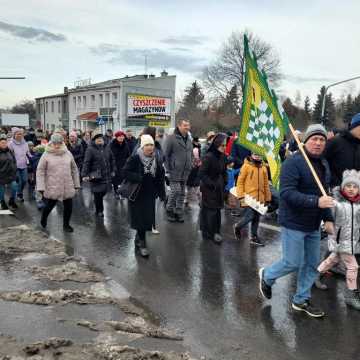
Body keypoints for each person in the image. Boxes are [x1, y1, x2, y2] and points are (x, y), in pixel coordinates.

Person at [259, 124, 335, 318]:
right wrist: (315, 201)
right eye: (314, 139)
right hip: (293, 221)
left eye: (322, 140)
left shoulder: (323, 164)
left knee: (311, 264)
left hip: (313, 223)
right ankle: (267, 276)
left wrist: (328, 218)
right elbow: (286, 194)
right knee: (292, 262)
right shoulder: (293, 163)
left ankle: (301, 300)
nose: (318, 143)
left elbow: (324, 193)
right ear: (305, 140)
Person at [317, 170, 360, 310]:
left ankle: (315, 275)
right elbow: (327, 217)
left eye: (355, 186)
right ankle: (350, 295)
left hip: (352, 241)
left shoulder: (358, 205)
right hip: (340, 241)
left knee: (333, 260)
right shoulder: (336, 204)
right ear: (342, 187)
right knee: (353, 266)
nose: (351, 189)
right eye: (348, 186)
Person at [123, 135, 166, 257]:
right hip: (137, 193)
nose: (149, 147)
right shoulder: (135, 158)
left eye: (151, 145)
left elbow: (159, 178)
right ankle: (142, 243)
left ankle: (139, 238)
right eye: (147, 145)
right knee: (139, 219)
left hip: (150, 194)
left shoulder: (157, 159)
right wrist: (138, 177)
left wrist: (162, 193)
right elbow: (125, 172)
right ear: (142, 146)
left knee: (147, 219)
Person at [36, 134, 80, 232]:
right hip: (53, 185)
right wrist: (41, 186)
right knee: (49, 205)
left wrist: (76, 184)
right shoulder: (46, 154)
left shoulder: (67, 153)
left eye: (59, 143)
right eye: (55, 143)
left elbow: (74, 169)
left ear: (62, 142)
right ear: (51, 142)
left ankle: (66, 225)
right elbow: (40, 171)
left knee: (68, 206)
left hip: (67, 185)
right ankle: (44, 217)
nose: (57, 145)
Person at [233, 152, 271, 246]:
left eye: (259, 155)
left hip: (260, 199)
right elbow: (240, 182)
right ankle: (238, 226)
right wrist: (241, 196)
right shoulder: (246, 166)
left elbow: (266, 184)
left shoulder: (264, 168)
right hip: (249, 198)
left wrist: (267, 198)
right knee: (249, 216)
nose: (257, 156)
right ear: (251, 155)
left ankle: (254, 237)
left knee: (256, 218)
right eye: (255, 154)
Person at [199, 133, 227, 244]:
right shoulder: (208, 157)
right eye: (222, 145)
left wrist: (224, 182)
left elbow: (224, 171)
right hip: (208, 188)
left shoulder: (224, 157)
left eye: (225, 145)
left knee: (217, 211)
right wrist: (211, 184)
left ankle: (215, 231)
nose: (224, 148)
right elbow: (201, 173)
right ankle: (210, 233)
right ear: (216, 144)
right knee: (210, 211)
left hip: (219, 187)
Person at [163, 119, 193, 222]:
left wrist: (191, 163)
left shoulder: (189, 139)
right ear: (179, 126)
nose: (187, 127)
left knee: (182, 193)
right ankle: (169, 209)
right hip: (174, 170)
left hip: (186, 170)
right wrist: (167, 169)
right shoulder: (171, 138)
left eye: (188, 125)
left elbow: (190, 154)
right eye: (185, 125)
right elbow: (165, 155)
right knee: (176, 190)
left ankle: (178, 211)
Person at [82, 130, 116, 217]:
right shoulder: (90, 149)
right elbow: (86, 162)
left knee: (103, 192)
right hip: (96, 175)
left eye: (100, 138)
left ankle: (98, 203)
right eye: (97, 138)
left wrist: (113, 169)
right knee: (98, 193)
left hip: (106, 174)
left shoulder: (107, 147)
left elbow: (112, 159)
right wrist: (84, 174)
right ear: (94, 140)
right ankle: (99, 210)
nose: (99, 139)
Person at [325, 113, 360, 187]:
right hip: (335, 191)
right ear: (354, 126)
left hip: (355, 193)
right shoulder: (335, 142)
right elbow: (320, 162)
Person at [8, 127, 31, 203]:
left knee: (24, 181)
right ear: (14, 135)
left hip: (24, 165)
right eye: (17, 134)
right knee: (19, 182)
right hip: (15, 166)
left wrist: (32, 157)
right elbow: (8, 154)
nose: (19, 135)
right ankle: (19, 194)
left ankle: (19, 192)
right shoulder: (11, 143)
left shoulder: (25, 143)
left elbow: (28, 153)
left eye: (21, 134)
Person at [109, 130, 131, 199]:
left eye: (122, 136)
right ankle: (116, 193)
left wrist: (128, 162)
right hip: (115, 164)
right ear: (116, 137)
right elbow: (109, 156)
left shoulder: (125, 144)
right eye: (119, 136)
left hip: (123, 164)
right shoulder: (112, 144)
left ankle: (122, 193)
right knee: (115, 180)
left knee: (123, 180)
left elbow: (128, 154)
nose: (121, 138)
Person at [0, 133, 17, 210]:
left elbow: (14, 161)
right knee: (2, 190)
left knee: (14, 187)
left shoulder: (9, 151)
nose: (4, 144)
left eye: (5, 142)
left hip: (11, 174)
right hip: (1, 175)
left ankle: (12, 200)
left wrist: (15, 169)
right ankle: (2, 202)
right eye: (2, 143)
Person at [184, 137, 202, 207]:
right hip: (195, 170)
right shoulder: (196, 149)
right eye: (197, 141)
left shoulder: (189, 148)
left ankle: (186, 201)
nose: (198, 143)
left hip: (191, 169)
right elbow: (199, 160)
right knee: (196, 187)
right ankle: (200, 201)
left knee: (189, 187)